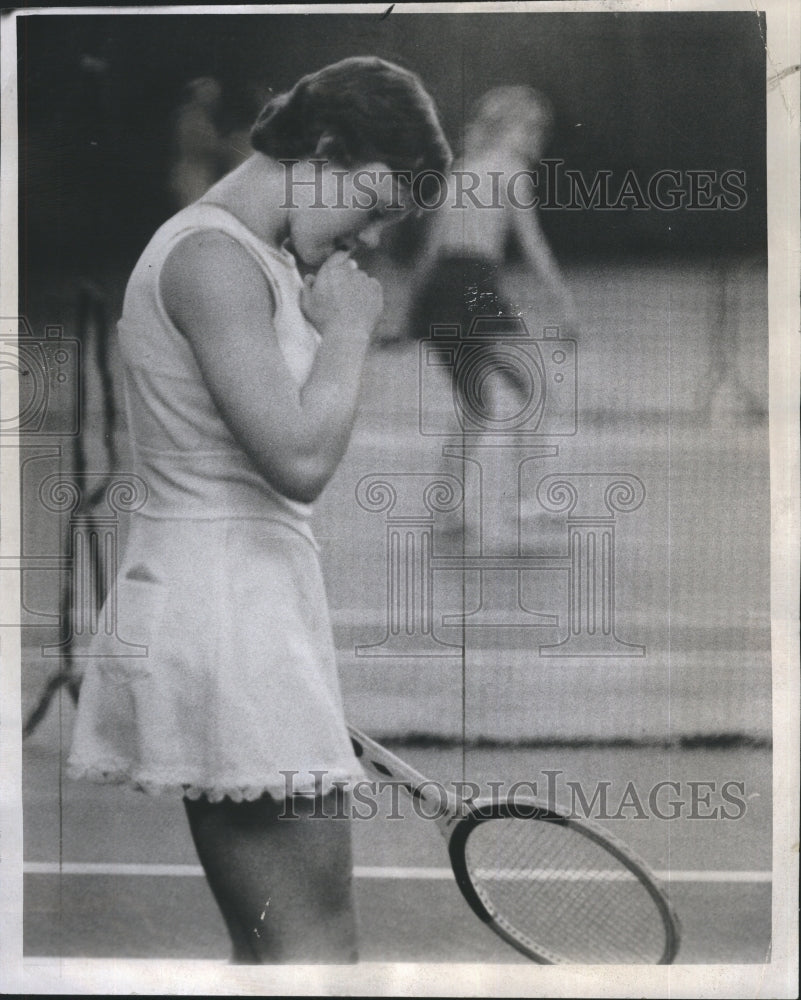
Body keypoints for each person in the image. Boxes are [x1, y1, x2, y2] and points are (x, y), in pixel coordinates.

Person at [67, 56, 451, 964]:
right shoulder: (211, 260)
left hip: (246, 607)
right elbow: (299, 459)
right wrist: (352, 329)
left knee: (284, 952)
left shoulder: (252, 258)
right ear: (324, 153)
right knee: (315, 953)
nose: (369, 240)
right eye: (373, 205)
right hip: (226, 609)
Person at [407, 86, 578, 406]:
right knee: (537, 394)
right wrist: (564, 303)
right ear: (510, 127)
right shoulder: (511, 169)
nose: (537, 138)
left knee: (477, 406)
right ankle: (530, 460)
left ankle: (455, 460)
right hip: (474, 284)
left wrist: (413, 314)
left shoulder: (460, 171)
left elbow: (430, 249)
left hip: (438, 292)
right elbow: (533, 245)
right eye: (532, 128)